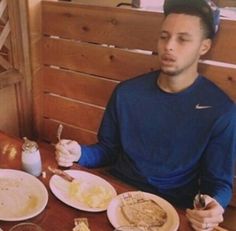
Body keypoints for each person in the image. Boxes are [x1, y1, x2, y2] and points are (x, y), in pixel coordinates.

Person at [55, 0, 236, 230]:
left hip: (174, 211)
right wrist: (79, 152)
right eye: (164, 36)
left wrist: (214, 204)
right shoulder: (126, 93)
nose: (169, 46)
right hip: (115, 197)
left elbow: (218, 182)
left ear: (204, 47)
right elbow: (108, 151)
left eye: (183, 39)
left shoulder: (221, 110)